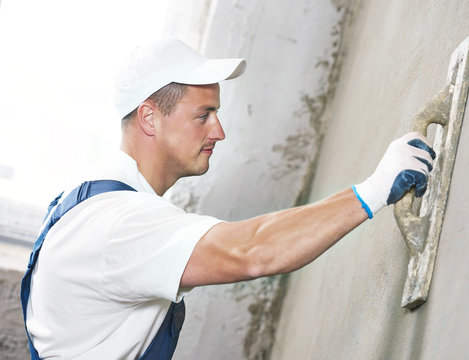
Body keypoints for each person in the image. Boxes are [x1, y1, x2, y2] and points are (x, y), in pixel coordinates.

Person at [21, 38, 436, 359]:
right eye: (203, 115)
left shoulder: (87, 203)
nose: (219, 132)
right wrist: (373, 190)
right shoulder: (116, 225)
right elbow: (250, 251)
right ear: (149, 118)